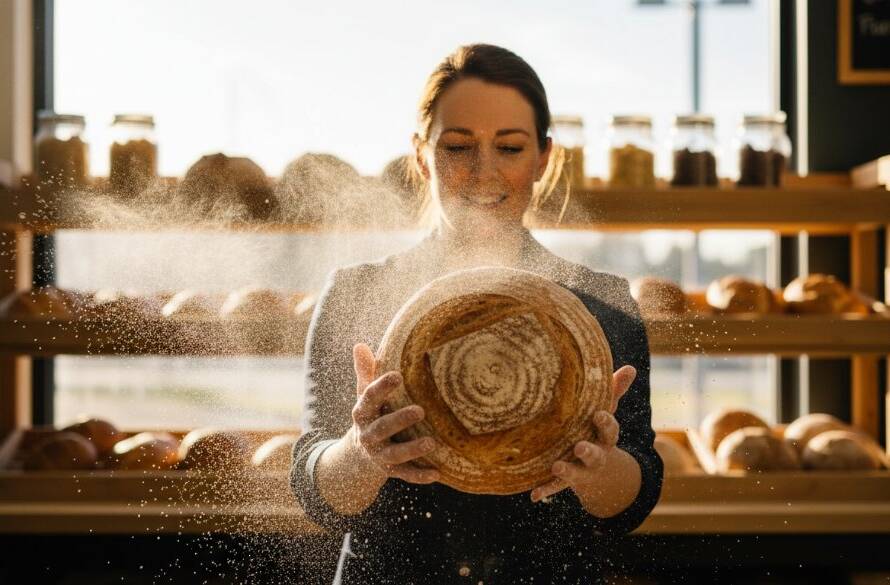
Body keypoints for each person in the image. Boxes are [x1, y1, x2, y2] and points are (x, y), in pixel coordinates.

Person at [291, 44, 663, 584]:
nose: (484, 173)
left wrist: (600, 470)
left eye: (509, 148)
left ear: (543, 159)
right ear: (422, 155)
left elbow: (634, 498)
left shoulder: (600, 304)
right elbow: (318, 492)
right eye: (458, 147)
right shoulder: (357, 293)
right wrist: (359, 453)